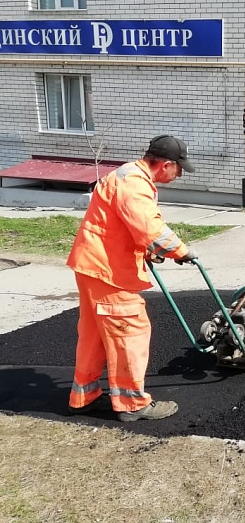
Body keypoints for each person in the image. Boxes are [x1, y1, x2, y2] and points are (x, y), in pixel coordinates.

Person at [67, 134, 199, 422]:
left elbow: (126, 225)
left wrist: (146, 251)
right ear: (165, 165)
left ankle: (84, 396)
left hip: (92, 266)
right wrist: (181, 251)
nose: (179, 174)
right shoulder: (135, 184)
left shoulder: (127, 174)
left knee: (94, 336)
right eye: (179, 168)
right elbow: (151, 228)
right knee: (130, 332)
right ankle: (132, 404)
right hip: (110, 272)